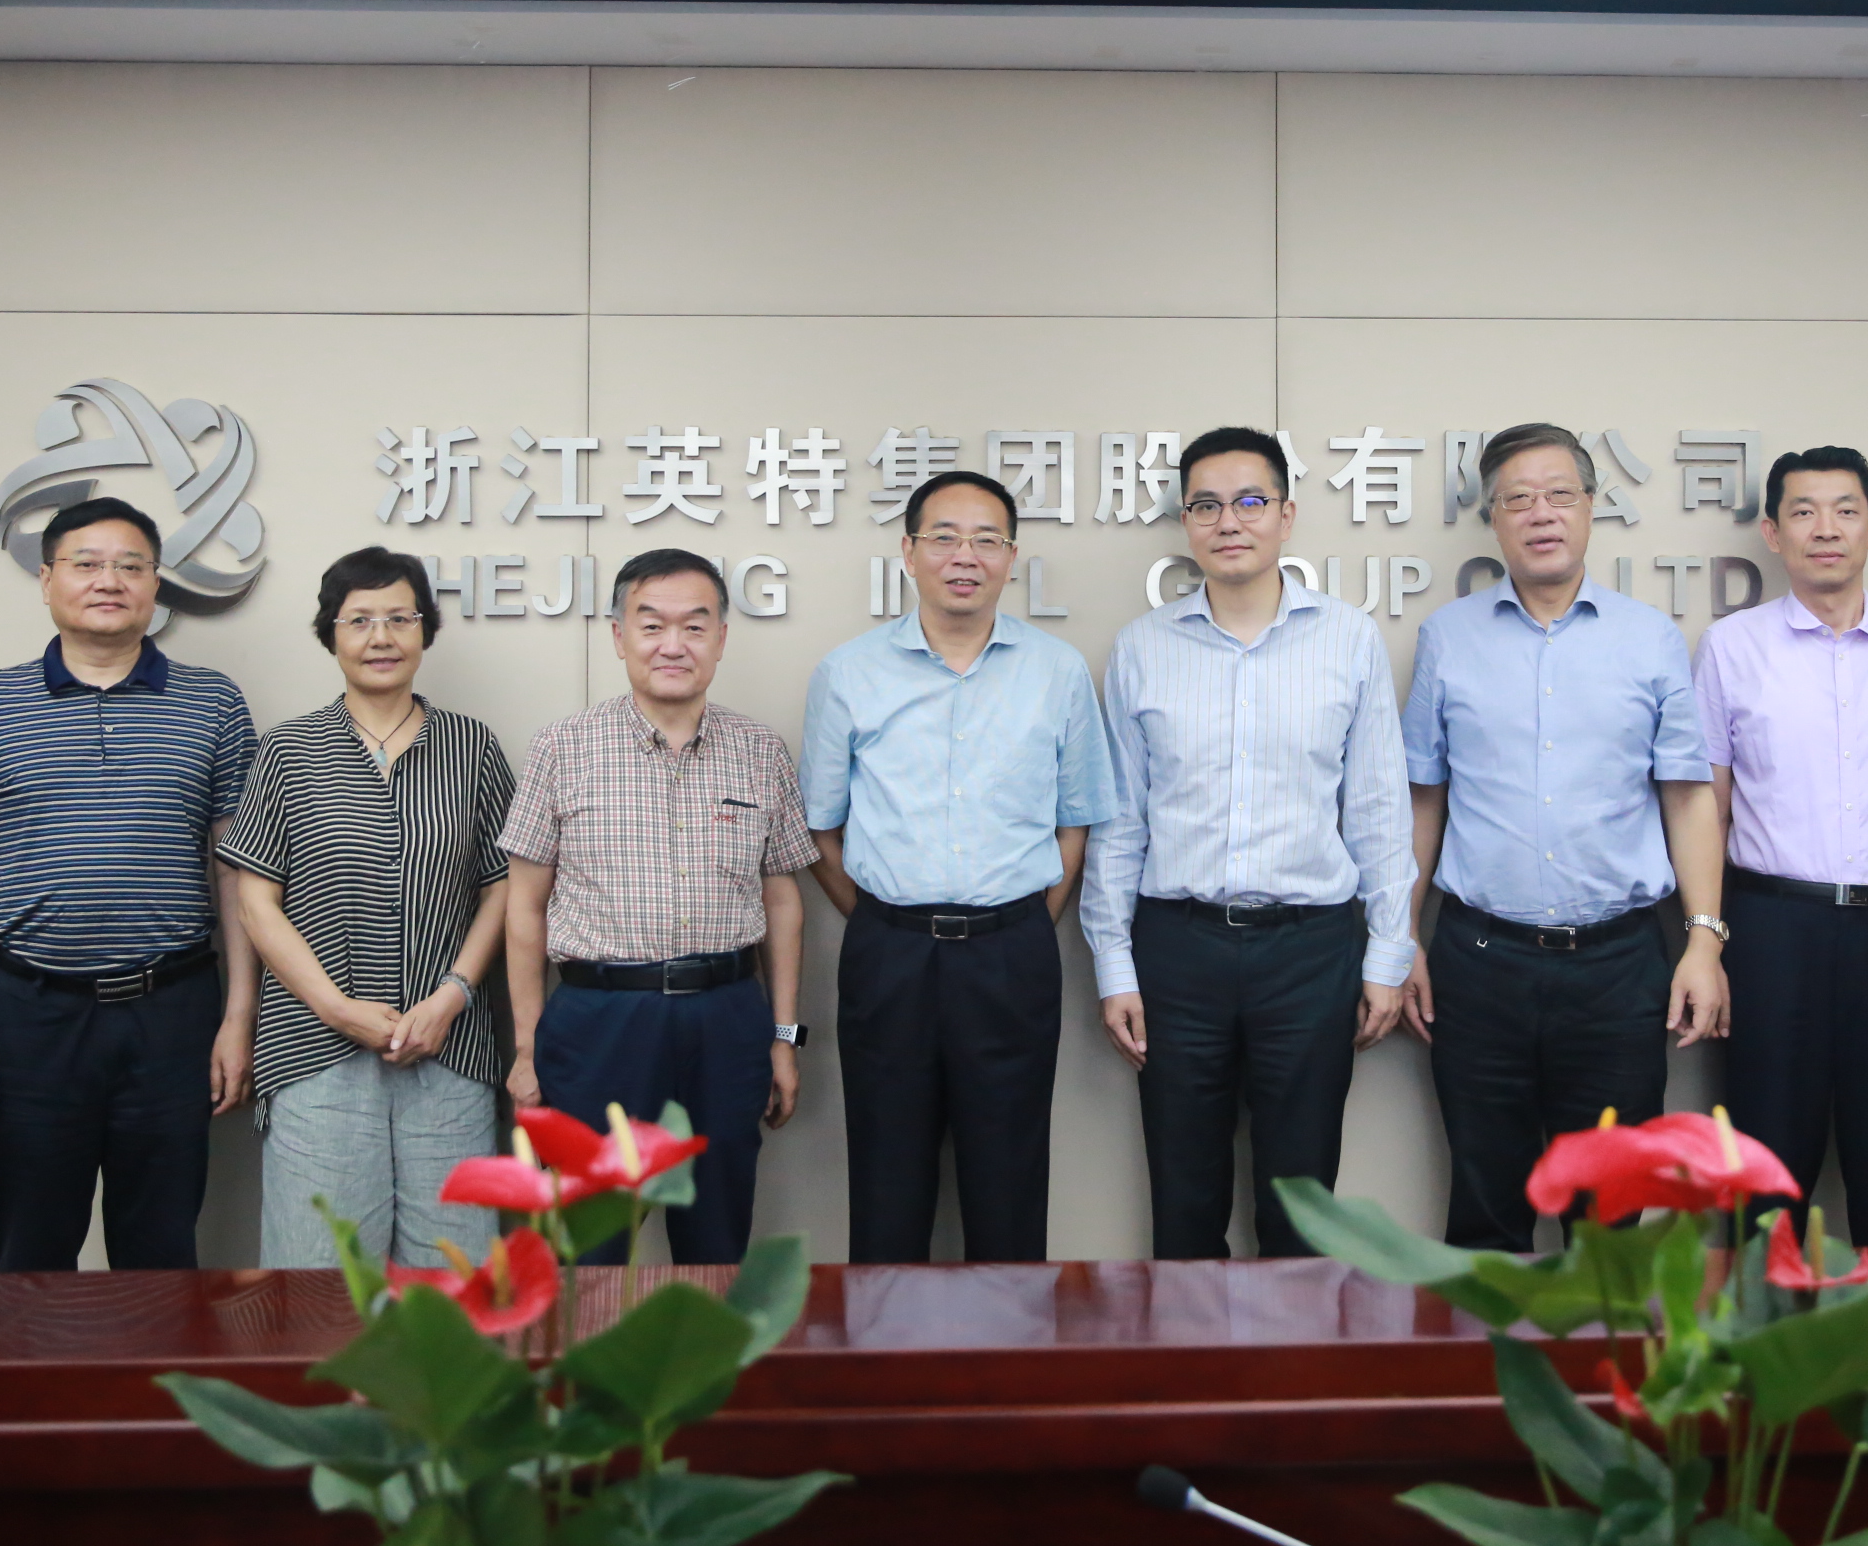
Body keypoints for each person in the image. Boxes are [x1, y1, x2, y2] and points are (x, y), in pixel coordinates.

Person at [1081, 425, 1416, 1260]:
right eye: (1206, 505)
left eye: (1250, 501)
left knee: (1301, 1202)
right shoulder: (1144, 647)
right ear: (1187, 523)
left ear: (1286, 516)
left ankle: (1293, 1344)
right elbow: (1121, 820)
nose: (1228, 521)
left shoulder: (1347, 638)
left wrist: (1388, 954)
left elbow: (1377, 808)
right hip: (1177, 949)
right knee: (1183, 1200)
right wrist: (1114, 964)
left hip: (1310, 951)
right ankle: (1188, 1345)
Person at [1401, 423, 1730, 1251]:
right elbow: (1423, 798)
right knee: (1485, 1207)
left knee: (1611, 1219)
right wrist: (1401, 934)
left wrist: (1703, 941)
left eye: (1558, 494)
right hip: (1479, 962)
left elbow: (1688, 798)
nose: (1540, 513)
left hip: (1618, 967)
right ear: (1494, 518)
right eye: (1517, 498)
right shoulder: (1449, 637)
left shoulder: (1649, 637)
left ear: (1590, 507)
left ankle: (1601, 1345)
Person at [0, 497, 258, 1271]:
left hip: (173, 1013)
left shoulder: (213, 703)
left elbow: (236, 874)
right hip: (28, 1015)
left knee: (162, 1254)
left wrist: (237, 1017)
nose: (110, 581)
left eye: (131, 566)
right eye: (87, 564)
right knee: (30, 1256)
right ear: (47, 580)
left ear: (155, 585)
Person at [801, 470, 1117, 1263]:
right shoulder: (848, 672)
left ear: (1012, 557)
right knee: (886, 1184)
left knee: (1009, 1184)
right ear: (909, 552)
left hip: (1011, 953)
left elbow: (1076, 821)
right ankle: (884, 1341)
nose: (964, 556)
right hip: (889, 955)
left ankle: (1009, 1343)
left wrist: (1019, 923)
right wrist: (887, 919)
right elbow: (821, 829)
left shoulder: (1057, 671)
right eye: (944, 537)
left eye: (986, 539)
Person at [1690, 447, 1868, 1246]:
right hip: (1771, 930)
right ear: (1773, 533)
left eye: (1846, 511)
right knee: (1764, 1171)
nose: (1827, 529)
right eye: (1805, 512)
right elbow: (1707, 809)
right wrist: (1706, 940)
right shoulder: (1731, 647)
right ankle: (1762, 1323)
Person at [500, 549, 814, 1264]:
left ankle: (706, 1341)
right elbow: (524, 907)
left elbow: (783, 901)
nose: (674, 645)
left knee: (717, 1240)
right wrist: (526, 1048)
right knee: (591, 1249)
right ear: (619, 637)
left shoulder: (760, 751)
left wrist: (782, 1037)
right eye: (652, 626)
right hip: (600, 1022)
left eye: (695, 627)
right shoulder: (562, 748)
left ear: (721, 639)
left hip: (727, 1019)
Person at [219, 547, 516, 1268]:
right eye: (359, 621)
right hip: (314, 1051)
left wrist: (452, 995)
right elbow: (255, 898)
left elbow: (504, 885)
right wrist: (335, 1007)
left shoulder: (471, 747)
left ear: (425, 630)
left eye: (399, 619)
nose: (381, 637)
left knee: (455, 1280)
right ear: (331, 634)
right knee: (320, 1278)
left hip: (451, 1049)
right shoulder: (287, 750)